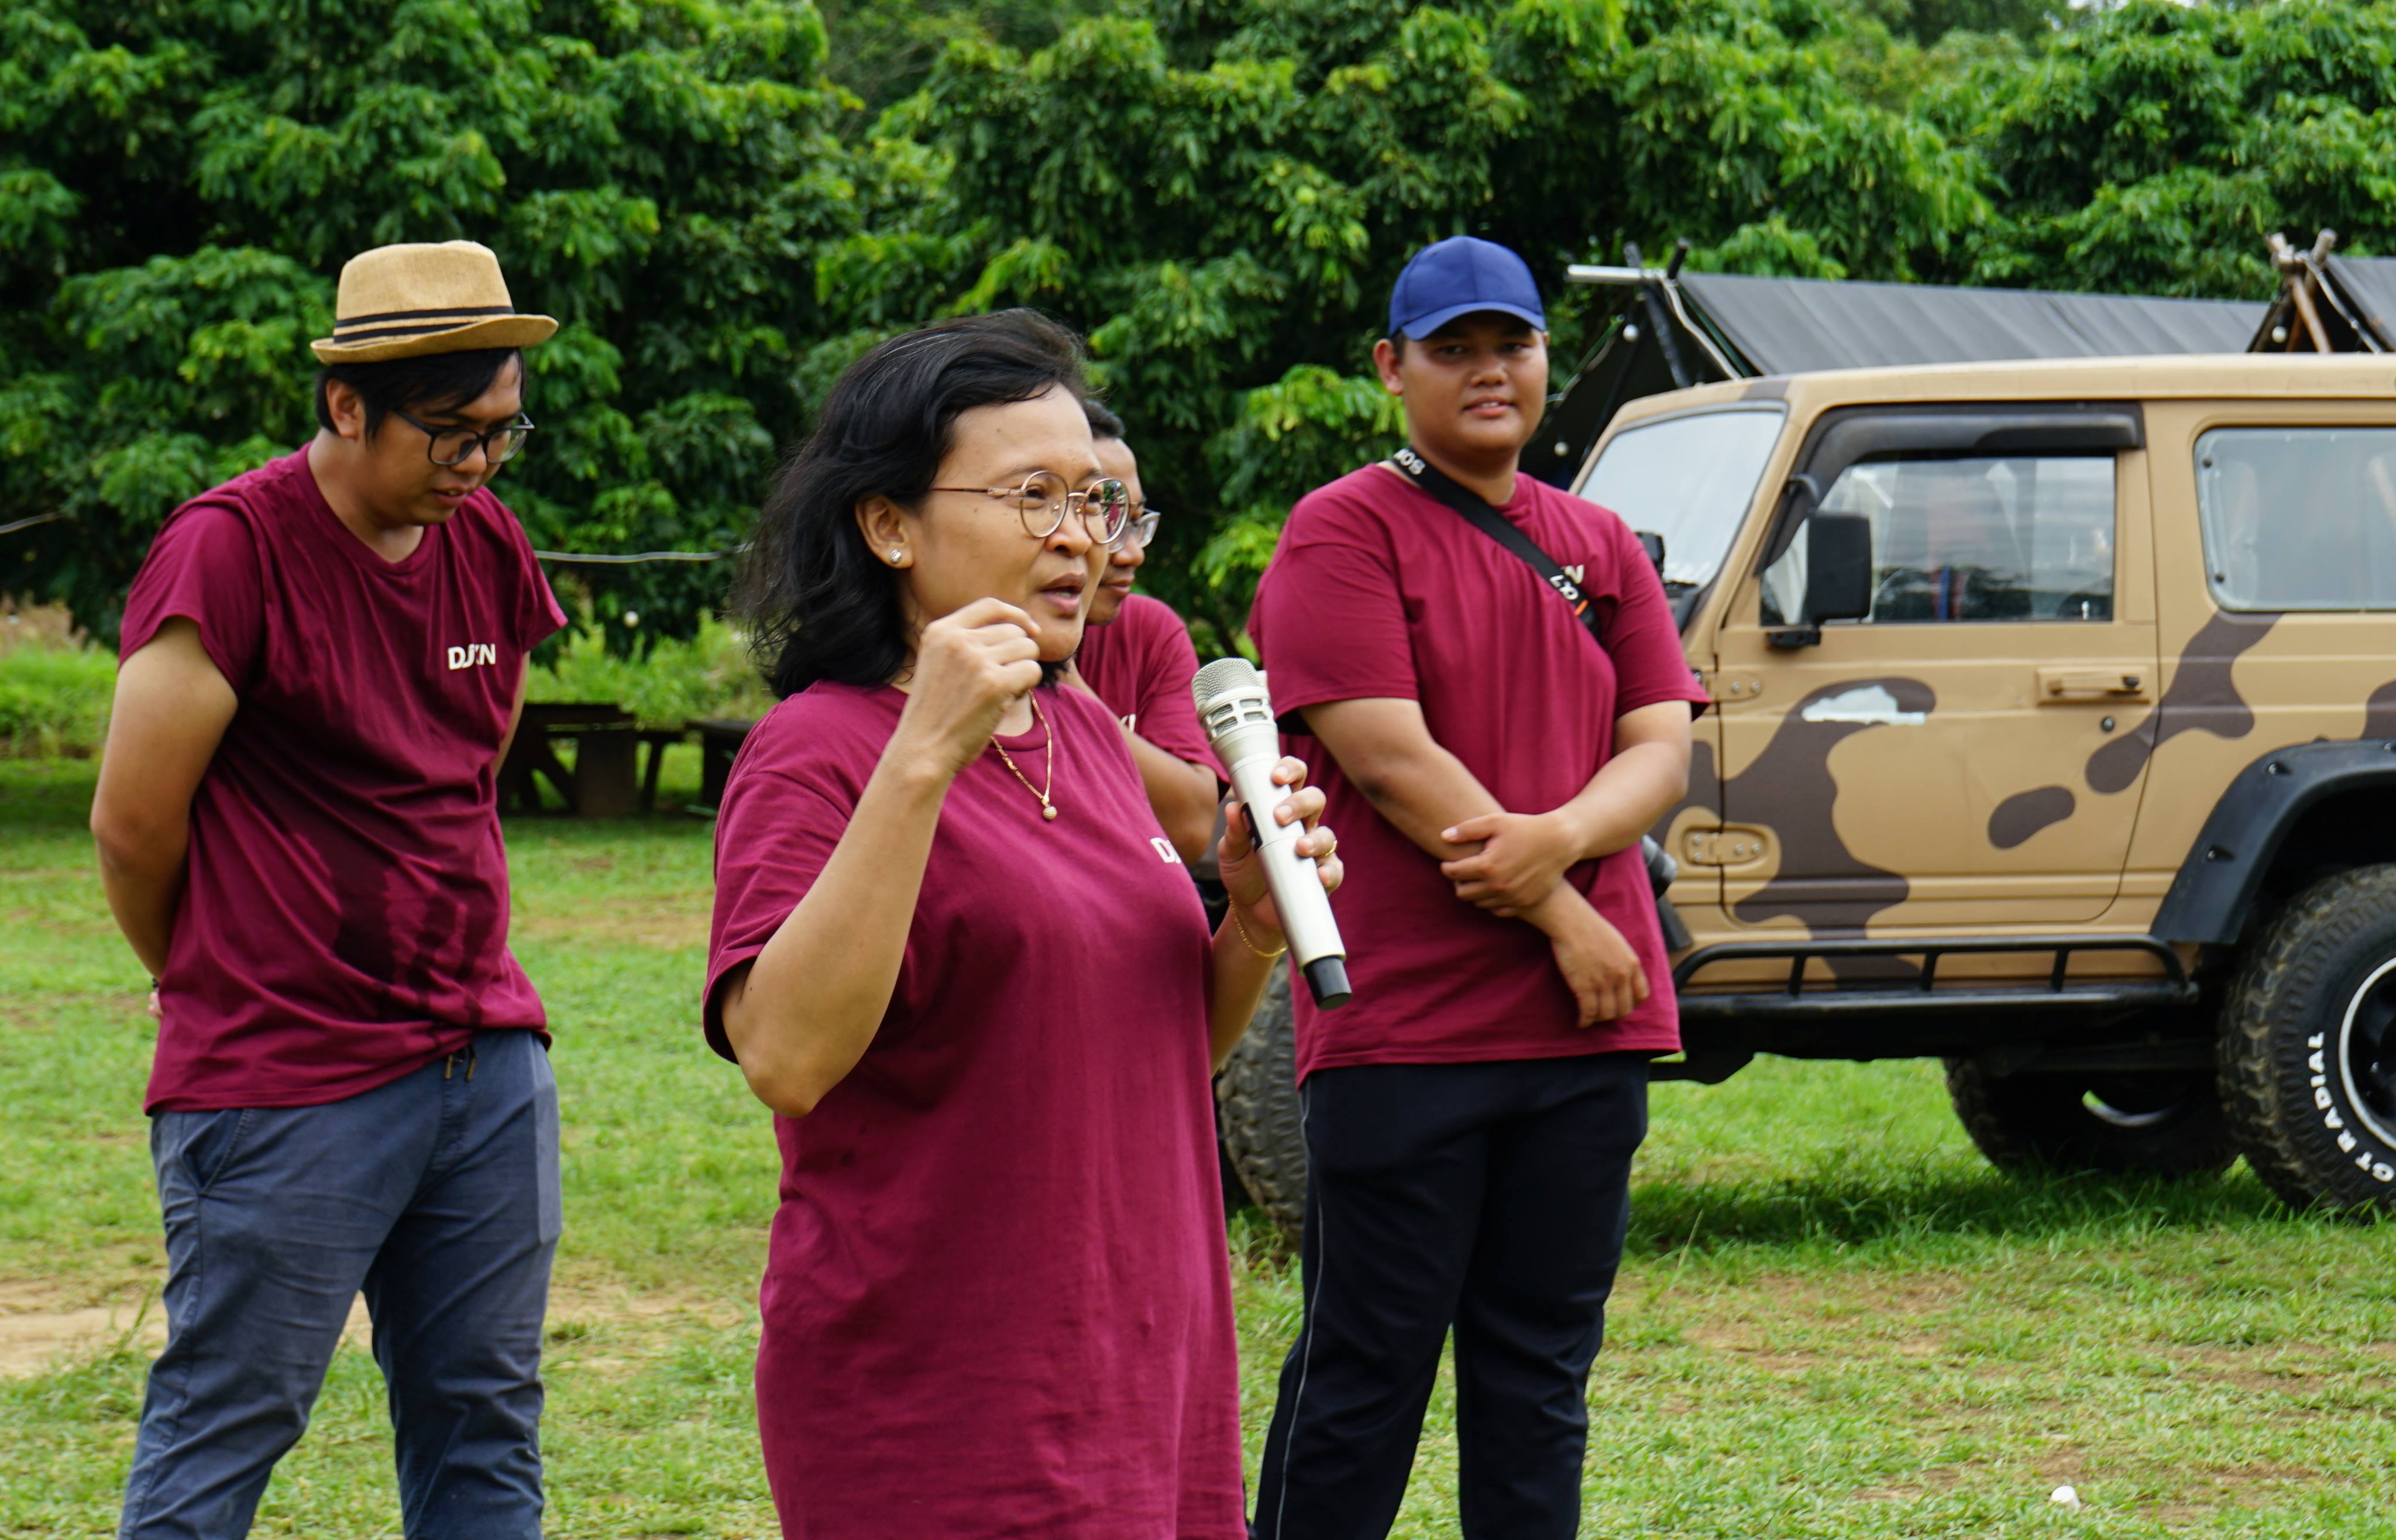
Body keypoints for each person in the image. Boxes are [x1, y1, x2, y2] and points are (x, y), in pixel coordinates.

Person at [704, 310, 1341, 1539]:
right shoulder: (815, 753)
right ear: (890, 525)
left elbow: (1153, 1051)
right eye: (1032, 493)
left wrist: (1253, 921)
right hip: (941, 1392)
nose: (1077, 535)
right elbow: (786, 1057)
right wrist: (923, 755)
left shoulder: (1091, 734)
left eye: (1098, 501)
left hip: (1142, 1361)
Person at [91, 239, 570, 1540]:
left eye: (503, 433)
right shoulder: (229, 550)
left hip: (483, 1062)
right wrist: (206, 975)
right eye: (450, 432)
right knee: (232, 1413)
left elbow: (469, 766)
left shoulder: (488, 546)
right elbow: (135, 826)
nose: (477, 465)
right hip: (286, 1074)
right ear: (347, 403)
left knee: (485, 1413)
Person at [1247, 236, 1704, 1540]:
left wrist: (1556, 840)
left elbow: (1660, 744)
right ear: (1394, 367)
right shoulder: (1342, 526)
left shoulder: (1599, 539)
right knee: (1365, 1371)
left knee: (1539, 1374)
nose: (1490, 370)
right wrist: (1565, 904)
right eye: (1454, 348)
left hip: (1587, 1028)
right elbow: (1386, 755)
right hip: (1408, 1028)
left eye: (1513, 343)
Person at [1070, 400, 1223, 861]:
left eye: (1135, 522)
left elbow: (1192, 827)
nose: (1132, 553)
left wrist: (1061, 679)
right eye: (1103, 515)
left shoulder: (1146, 632)